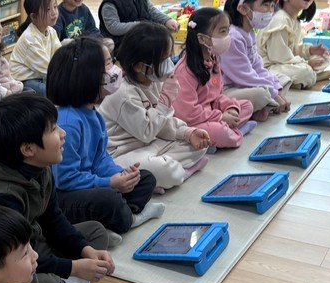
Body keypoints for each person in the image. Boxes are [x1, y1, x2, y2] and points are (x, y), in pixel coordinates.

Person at [0, 94, 115, 283]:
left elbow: (53, 219)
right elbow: (13, 261)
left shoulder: (40, 168)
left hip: (31, 244)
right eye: (54, 129)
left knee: (96, 233)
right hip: (4, 265)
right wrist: (74, 267)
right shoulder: (3, 196)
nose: (63, 134)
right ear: (28, 149)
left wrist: (85, 251)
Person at [47, 38, 162, 238]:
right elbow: (65, 179)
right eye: (108, 64)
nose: (115, 70)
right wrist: (108, 183)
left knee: (145, 179)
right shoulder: (68, 123)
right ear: (87, 76)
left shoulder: (93, 112)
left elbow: (101, 158)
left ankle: (117, 218)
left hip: (91, 186)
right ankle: (130, 219)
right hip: (65, 195)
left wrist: (121, 175)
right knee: (109, 199)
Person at [98, 23, 211, 191]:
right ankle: (171, 174)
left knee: (199, 144)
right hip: (122, 153)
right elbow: (147, 131)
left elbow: (163, 123)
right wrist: (165, 100)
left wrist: (187, 133)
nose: (169, 63)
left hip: (150, 144)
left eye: (170, 56)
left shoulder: (153, 80)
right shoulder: (123, 93)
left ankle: (155, 178)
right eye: (163, 59)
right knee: (164, 170)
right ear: (138, 66)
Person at [172, 8, 256, 150]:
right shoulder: (184, 71)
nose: (227, 36)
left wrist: (230, 108)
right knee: (219, 131)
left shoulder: (213, 59)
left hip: (211, 113)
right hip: (193, 122)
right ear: (202, 38)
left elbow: (217, 96)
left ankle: (226, 132)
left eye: (227, 30)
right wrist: (220, 117)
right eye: (222, 31)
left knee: (247, 106)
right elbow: (187, 114)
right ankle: (235, 132)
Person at [221, 0, 291, 122]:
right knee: (261, 94)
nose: (270, 11)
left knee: (284, 79)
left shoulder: (250, 33)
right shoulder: (233, 37)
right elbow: (244, 76)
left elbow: (258, 67)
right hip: (228, 88)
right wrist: (275, 94)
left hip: (244, 84)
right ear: (244, 9)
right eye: (265, 5)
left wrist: (276, 89)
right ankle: (261, 106)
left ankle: (261, 107)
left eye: (272, 6)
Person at [258, 0, 330, 90]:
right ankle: (309, 76)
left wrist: (310, 50)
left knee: (325, 58)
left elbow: (294, 50)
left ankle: (305, 78)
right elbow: (279, 57)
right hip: (268, 68)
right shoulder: (280, 19)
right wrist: (306, 63)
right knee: (305, 73)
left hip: (283, 63)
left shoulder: (295, 22)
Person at [9, 0, 62, 96]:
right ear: (33, 16)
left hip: (41, 75)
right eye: (48, 9)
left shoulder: (51, 31)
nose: (54, 12)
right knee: (50, 92)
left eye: (55, 7)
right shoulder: (30, 39)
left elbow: (60, 56)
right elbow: (49, 69)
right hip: (23, 81)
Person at [98, 0, 179, 52]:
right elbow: (114, 27)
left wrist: (166, 20)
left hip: (142, 31)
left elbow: (151, 10)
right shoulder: (109, 3)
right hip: (122, 39)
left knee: (164, 36)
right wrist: (139, 25)